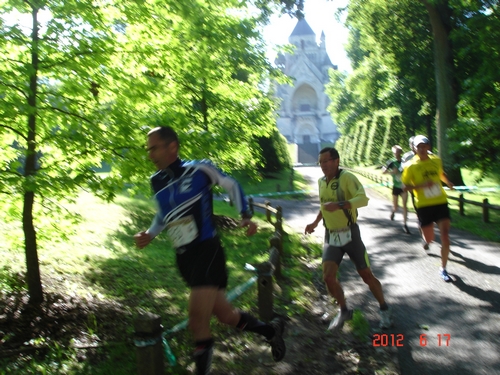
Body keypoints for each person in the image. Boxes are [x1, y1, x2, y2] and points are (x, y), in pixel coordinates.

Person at [134, 126, 286, 374]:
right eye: (148, 149)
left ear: (172, 146)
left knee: (197, 322)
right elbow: (164, 215)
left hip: (207, 250)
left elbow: (232, 185)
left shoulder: (199, 169)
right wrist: (150, 234)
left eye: (154, 148)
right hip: (184, 257)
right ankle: (271, 331)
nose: (150, 154)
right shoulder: (156, 180)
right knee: (225, 315)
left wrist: (245, 215)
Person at [304, 147, 392, 331]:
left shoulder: (347, 178)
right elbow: (324, 206)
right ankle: (343, 310)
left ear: (336, 161)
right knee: (328, 277)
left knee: (366, 275)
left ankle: (384, 309)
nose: (323, 165)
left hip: (350, 233)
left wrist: (341, 204)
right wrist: (314, 223)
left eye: (326, 161)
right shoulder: (321, 182)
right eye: (320, 162)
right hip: (331, 234)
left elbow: (363, 199)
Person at [401, 135, 455, 282]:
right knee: (430, 238)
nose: (422, 149)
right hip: (424, 205)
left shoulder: (436, 160)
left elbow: (440, 174)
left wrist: (448, 182)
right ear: (415, 149)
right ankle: (426, 240)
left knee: (445, 236)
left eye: (425, 146)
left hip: (440, 202)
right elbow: (405, 187)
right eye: (419, 147)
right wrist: (421, 186)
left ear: (428, 147)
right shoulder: (410, 166)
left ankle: (443, 268)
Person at [382, 145, 410, 234]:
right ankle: (393, 212)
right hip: (395, 187)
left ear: (401, 152)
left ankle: (405, 224)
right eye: (395, 152)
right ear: (393, 153)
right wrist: (392, 172)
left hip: (403, 187)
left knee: (405, 206)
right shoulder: (391, 162)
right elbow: (383, 172)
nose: (397, 153)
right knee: (396, 207)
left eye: (398, 152)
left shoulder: (404, 162)